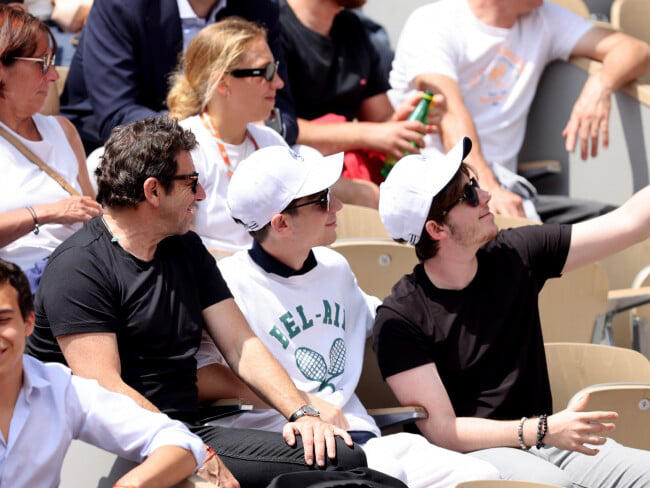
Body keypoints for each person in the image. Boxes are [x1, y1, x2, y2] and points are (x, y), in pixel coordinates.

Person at [25, 116, 369, 488]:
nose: (202, 195)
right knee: (345, 465)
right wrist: (187, 449)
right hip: (128, 446)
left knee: (350, 461)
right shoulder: (79, 267)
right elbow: (106, 389)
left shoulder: (185, 247)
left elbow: (242, 346)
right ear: (153, 191)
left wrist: (303, 412)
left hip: (191, 431)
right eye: (191, 183)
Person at [191, 145, 502, 487]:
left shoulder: (335, 268)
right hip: (300, 453)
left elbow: (389, 323)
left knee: (484, 477)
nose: (337, 205)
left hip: (369, 441)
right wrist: (304, 404)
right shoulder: (228, 284)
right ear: (280, 223)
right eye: (322, 199)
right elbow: (201, 376)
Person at [373, 136, 650, 487]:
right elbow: (444, 430)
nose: (486, 196)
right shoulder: (400, 319)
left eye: (474, 184)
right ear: (436, 229)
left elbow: (630, 223)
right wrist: (540, 430)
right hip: (476, 458)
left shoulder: (515, 254)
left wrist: (544, 433)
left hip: (550, 441)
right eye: (469, 196)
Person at [388, 0, 650, 222]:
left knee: (620, 223)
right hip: (435, 196)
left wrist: (600, 86)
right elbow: (450, 113)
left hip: (506, 194)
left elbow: (634, 50)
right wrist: (484, 188)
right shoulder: (433, 21)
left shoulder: (544, 16)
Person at [167, 18, 377, 253]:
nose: (278, 83)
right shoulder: (186, 148)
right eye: (265, 72)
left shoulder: (270, 142)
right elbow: (178, 249)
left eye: (275, 70)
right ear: (223, 83)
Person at [0, 258, 206, 488]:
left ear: (28, 323)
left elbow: (179, 440)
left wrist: (132, 484)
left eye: (2, 320)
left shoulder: (60, 389)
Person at [60, 0, 297, 153]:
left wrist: (254, 131)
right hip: (123, 149)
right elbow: (116, 114)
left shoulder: (260, 7)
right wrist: (203, 134)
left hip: (229, 143)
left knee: (305, 161)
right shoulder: (121, 5)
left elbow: (281, 107)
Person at [279, 0, 443, 184]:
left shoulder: (353, 28)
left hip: (345, 174)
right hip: (291, 178)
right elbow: (277, 128)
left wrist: (406, 123)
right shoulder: (271, 26)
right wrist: (369, 135)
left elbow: (380, 119)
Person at [0, 5, 101, 291]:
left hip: (82, 277)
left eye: (53, 62)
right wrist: (45, 213)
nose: (54, 76)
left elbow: (94, 219)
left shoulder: (63, 130)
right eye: (42, 63)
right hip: (20, 292)